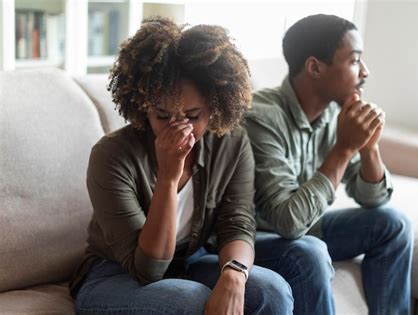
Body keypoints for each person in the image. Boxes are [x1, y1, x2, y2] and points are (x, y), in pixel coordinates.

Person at [69, 17, 293, 314]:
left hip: (189, 263)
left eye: (192, 115)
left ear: (214, 107)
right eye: (162, 115)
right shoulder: (111, 156)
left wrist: (235, 274)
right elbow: (148, 269)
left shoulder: (230, 143)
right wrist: (168, 177)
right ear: (143, 106)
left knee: (271, 291)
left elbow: (237, 221)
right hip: (113, 276)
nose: (179, 128)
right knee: (192, 299)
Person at [244, 14, 414, 315]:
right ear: (315, 68)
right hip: (254, 237)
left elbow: (374, 199)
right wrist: (344, 147)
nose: (365, 71)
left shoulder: (331, 117)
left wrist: (368, 147)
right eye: (354, 60)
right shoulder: (261, 118)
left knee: (394, 224)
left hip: (307, 227)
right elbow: (288, 223)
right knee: (309, 251)